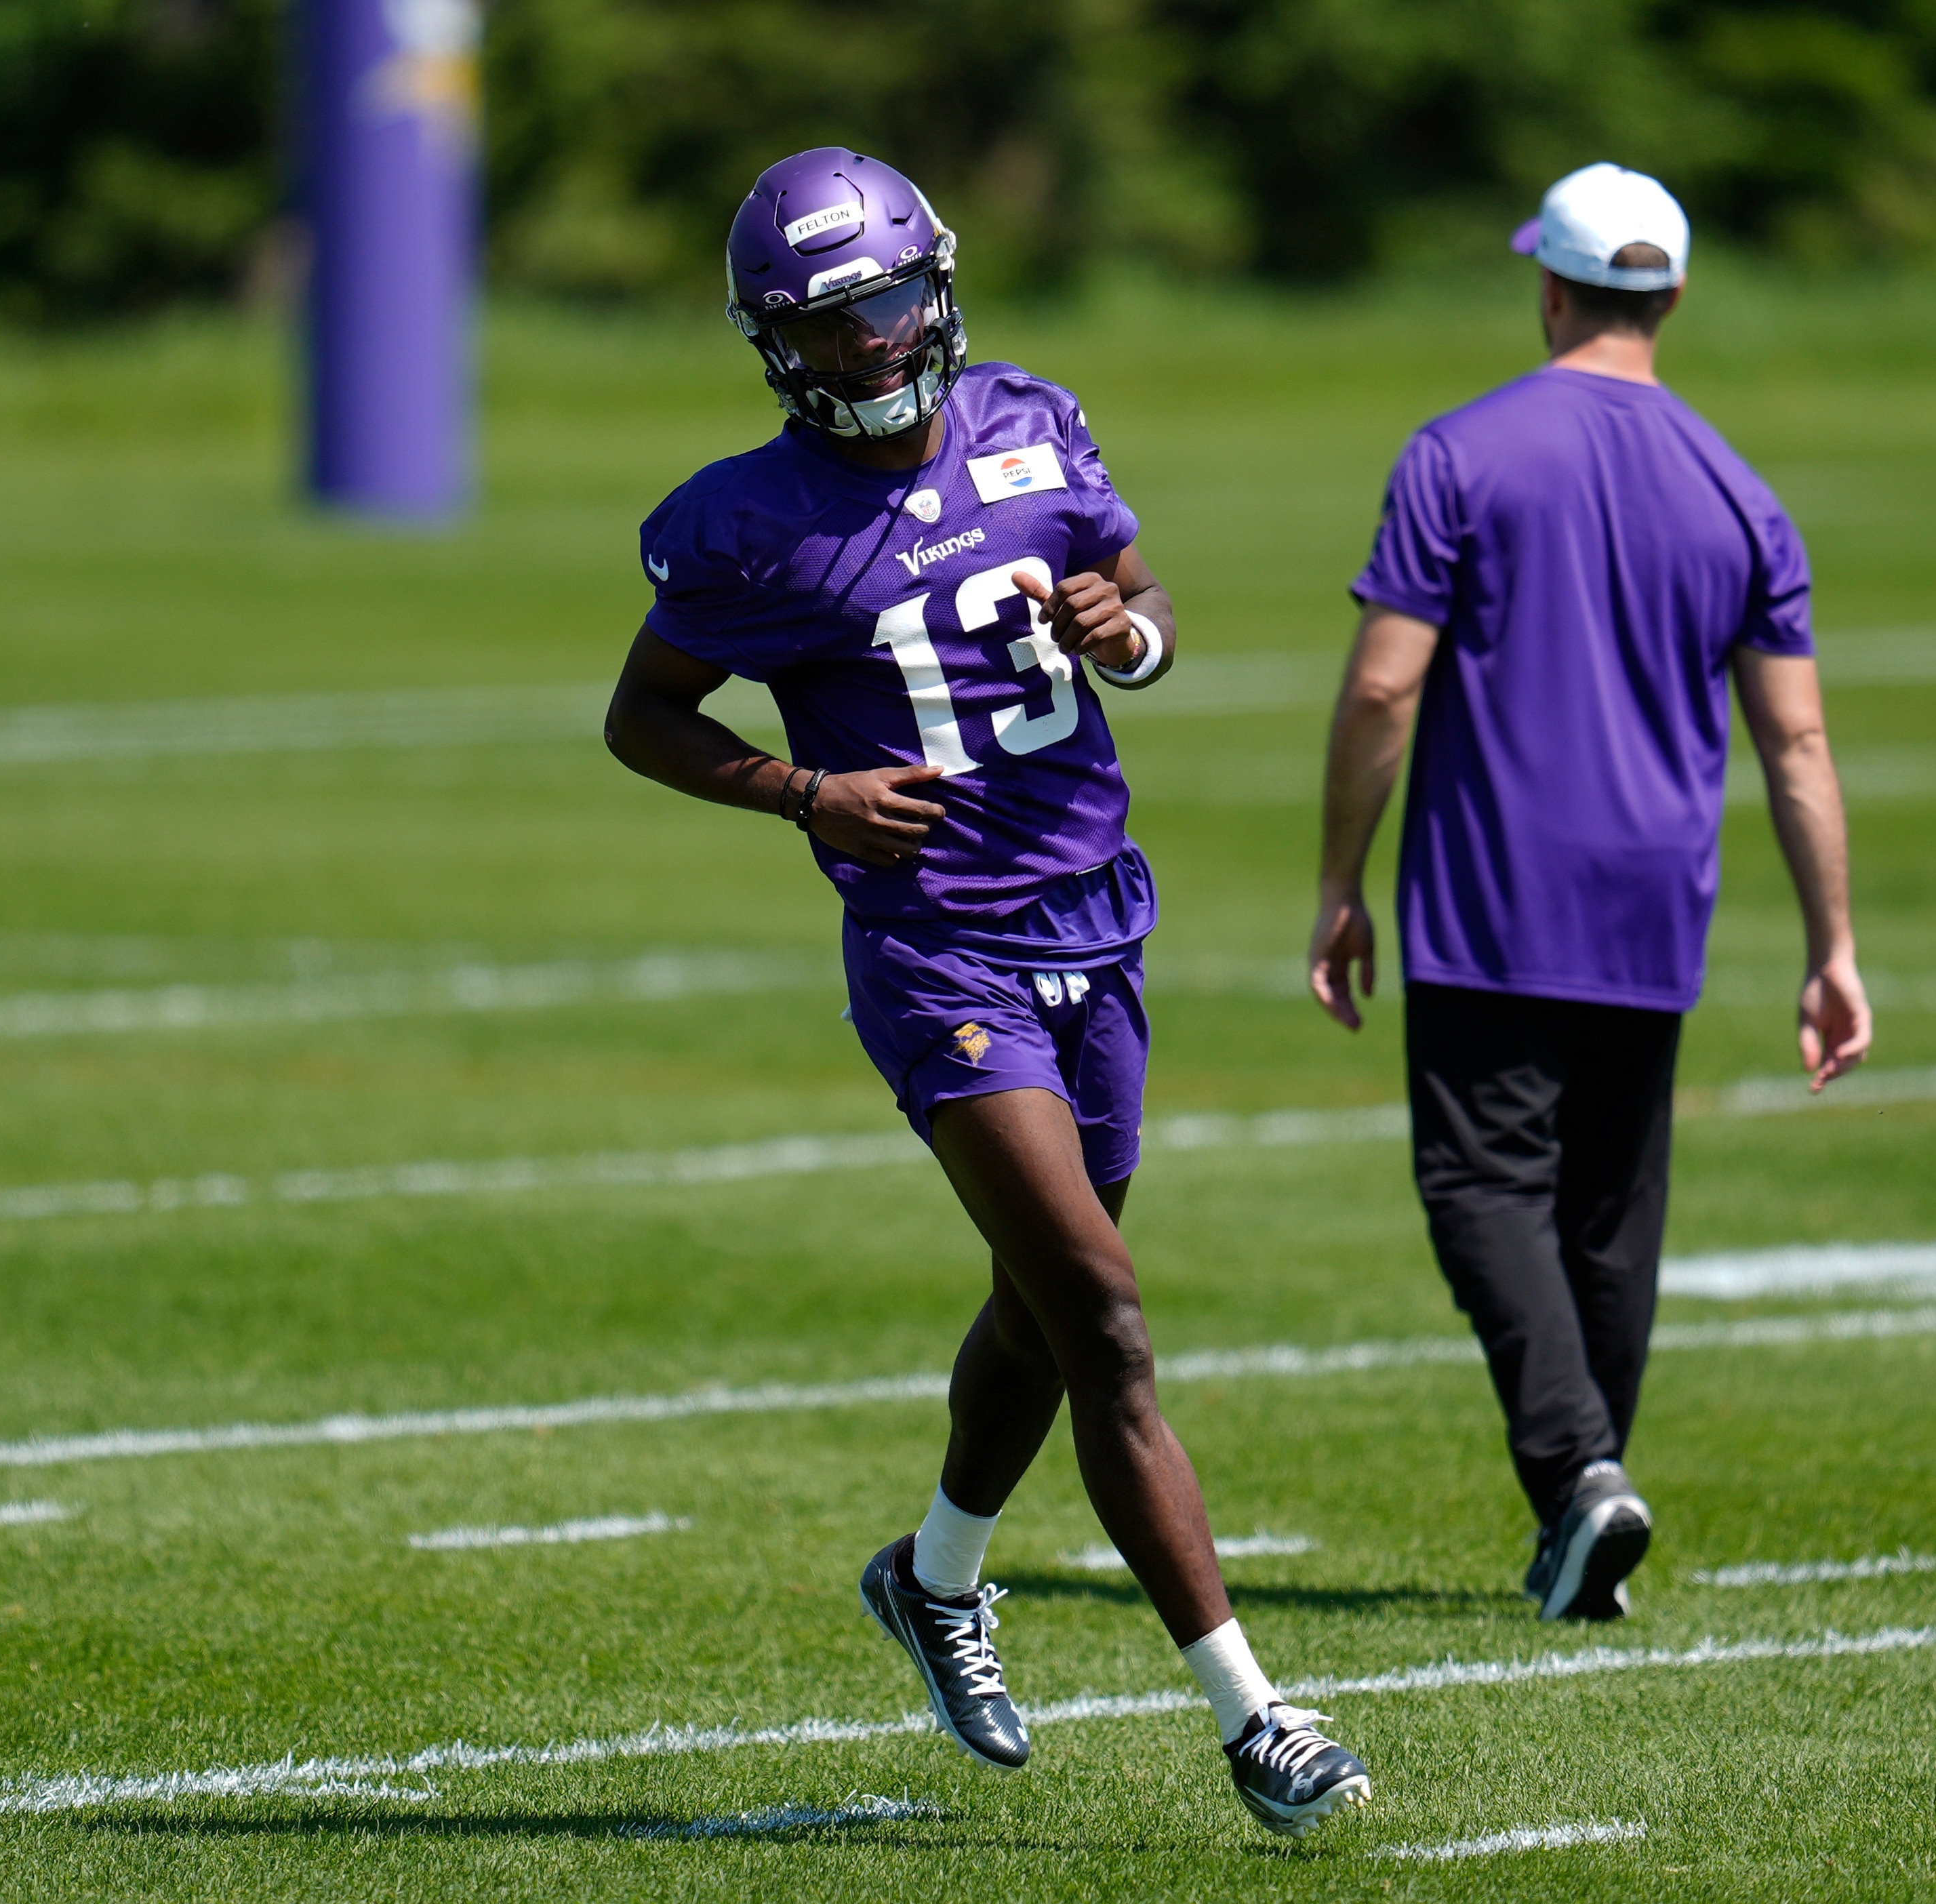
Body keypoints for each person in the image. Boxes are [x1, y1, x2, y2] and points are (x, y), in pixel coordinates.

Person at [605, 146, 1371, 1835]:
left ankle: (933, 1572)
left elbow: (1143, 599)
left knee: (1042, 1303)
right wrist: (807, 796)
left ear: (935, 286)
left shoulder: (1034, 420)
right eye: (824, 324)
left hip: (1098, 920)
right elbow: (643, 717)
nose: (869, 343)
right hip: (937, 944)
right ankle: (1254, 1716)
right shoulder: (742, 522)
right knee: (1102, 1310)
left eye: (884, 302)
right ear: (771, 344)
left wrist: (1132, 635)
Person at [1308, 162, 1872, 1622]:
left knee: (1482, 1183)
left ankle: (1576, 1475)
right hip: (1654, 900)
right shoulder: (1738, 489)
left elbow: (1383, 687)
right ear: (1672, 294)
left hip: (1498, 890)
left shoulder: (1460, 453)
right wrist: (1832, 944)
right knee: (1611, 1214)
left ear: (1547, 289)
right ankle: (1584, 1507)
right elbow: (1796, 737)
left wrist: (1337, 879)